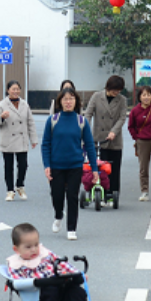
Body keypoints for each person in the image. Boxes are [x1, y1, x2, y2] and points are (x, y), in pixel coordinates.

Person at [5, 223, 97, 301]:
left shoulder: (45, 254)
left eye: (36, 245)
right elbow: (17, 281)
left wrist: (77, 273)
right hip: (39, 292)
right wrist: (33, 282)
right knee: (49, 287)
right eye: (28, 247)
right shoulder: (16, 264)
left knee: (75, 289)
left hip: (58, 285)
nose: (34, 249)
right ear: (16, 249)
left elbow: (61, 264)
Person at [41, 87, 97, 241]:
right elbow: (45, 144)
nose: (68, 102)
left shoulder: (81, 121)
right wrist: (47, 165)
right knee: (57, 195)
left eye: (71, 99)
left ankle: (71, 228)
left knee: (72, 196)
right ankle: (58, 215)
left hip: (75, 165)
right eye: (65, 99)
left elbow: (90, 146)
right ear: (60, 102)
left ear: (76, 102)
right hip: (56, 165)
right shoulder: (53, 120)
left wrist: (94, 169)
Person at [84, 75, 129, 200]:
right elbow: (88, 113)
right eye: (115, 90)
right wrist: (85, 129)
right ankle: (100, 192)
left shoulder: (122, 100)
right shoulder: (97, 96)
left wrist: (114, 131)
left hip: (114, 139)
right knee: (100, 168)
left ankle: (113, 194)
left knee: (114, 169)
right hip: (99, 138)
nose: (117, 93)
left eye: (119, 90)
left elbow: (122, 118)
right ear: (109, 87)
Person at [0, 80, 38, 201]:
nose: (15, 91)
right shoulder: (2, 104)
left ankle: (20, 185)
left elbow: (30, 122)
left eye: (17, 89)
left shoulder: (24, 104)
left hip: (22, 139)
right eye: (13, 89)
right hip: (8, 139)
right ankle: (10, 190)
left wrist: (33, 139)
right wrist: (2, 117)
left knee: (23, 165)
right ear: (8, 90)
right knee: (8, 166)